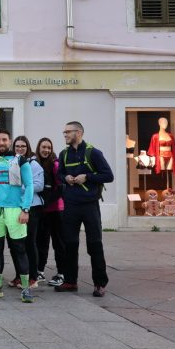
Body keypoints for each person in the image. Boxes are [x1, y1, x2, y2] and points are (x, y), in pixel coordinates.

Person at [57, 121, 113, 297]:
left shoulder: (93, 152)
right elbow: (60, 174)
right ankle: (70, 281)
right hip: (70, 205)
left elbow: (108, 175)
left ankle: (100, 283)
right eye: (64, 132)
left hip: (90, 205)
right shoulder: (64, 154)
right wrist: (65, 177)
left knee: (94, 243)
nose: (65, 135)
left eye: (68, 132)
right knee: (69, 244)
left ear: (79, 132)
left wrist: (86, 177)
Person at [0, 129, 33, 302]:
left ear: (9, 141)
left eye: (4, 140)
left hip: (15, 210)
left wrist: (25, 209)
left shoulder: (20, 160)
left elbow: (30, 185)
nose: (1, 143)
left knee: (20, 249)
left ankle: (25, 288)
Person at [9, 136, 44, 289]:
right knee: (14, 244)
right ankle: (19, 275)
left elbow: (39, 185)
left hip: (31, 208)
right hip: (14, 207)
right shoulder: (10, 162)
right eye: (17, 146)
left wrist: (21, 186)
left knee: (29, 243)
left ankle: (33, 277)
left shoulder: (34, 164)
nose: (20, 149)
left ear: (28, 147)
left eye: (23, 146)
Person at [35, 137, 64, 286]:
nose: (46, 150)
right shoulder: (36, 163)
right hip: (42, 211)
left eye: (49, 147)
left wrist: (47, 202)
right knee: (42, 241)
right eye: (43, 147)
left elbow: (60, 188)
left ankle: (61, 273)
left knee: (58, 242)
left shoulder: (55, 164)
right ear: (38, 148)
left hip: (56, 210)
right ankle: (40, 271)